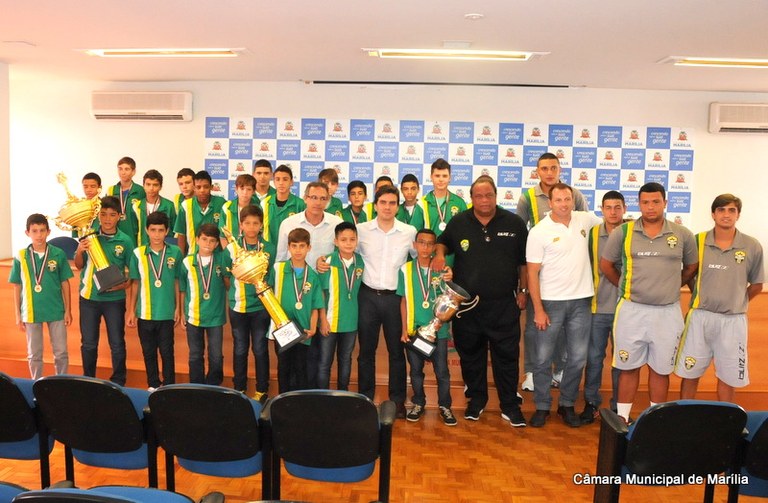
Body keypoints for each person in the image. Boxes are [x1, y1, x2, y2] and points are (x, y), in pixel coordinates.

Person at [434, 175, 528, 427]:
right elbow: (442, 242)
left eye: (489, 195)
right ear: (471, 198)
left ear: (496, 196)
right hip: (467, 307)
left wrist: (524, 290)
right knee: (471, 357)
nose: (484, 200)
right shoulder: (459, 221)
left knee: (506, 358)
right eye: (478, 196)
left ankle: (510, 405)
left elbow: (523, 263)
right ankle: (476, 401)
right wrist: (441, 255)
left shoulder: (515, 223)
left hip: (503, 305)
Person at [600, 182, 698, 423]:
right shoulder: (622, 233)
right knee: (628, 366)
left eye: (656, 202)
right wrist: (627, 288)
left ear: (665, 203)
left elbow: (692, 267)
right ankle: (621, 419)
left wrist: (672, 285)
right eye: (645, 202)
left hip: (667, 312)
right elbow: (606, 266)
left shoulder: (682, 234)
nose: (650, 207)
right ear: (639, 204)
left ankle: (657, 421)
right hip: (631, 311)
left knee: (661, 369)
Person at [328, 185, 415, 418]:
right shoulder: (361, 230)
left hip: (395, 299)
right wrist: (320, 261)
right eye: (383, 202)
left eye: (392, 203)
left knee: (397, 352)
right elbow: (340, 253)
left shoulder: (409, 231)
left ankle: (397, 401)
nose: (387, 207)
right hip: (366, 297)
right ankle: (365, 398)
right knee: (366, 351)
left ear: (398, 206)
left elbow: (419, 261)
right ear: (375, 205)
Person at [676, 193, 764, 402]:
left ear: (738, 215)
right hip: (699, 317)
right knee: (690, 372)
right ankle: (685, 417)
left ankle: (726, 422)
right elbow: (688, 273)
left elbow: (758, 285)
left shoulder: (752, 246)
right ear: (713, 214)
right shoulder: (697, 241)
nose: (726, 215)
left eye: (731, 210)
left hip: (733, 321)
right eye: (721, 210)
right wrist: (700, 292)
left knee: (729, 375)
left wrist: (736, 301)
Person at [526, 183, 600, 428]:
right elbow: (532, 273)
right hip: (550, 304)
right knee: (542, 359)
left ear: (573, 200)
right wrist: (538, 309)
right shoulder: (538, 232)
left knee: (577, 359)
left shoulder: (585, 220)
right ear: (550, 203)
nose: (564, 204)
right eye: (558, 200)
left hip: (581, 302)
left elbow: (613, 223)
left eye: (567, 199)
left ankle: (567, 404)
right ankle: (542, 406)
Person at [517, 152, 588, 393]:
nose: (549, 172)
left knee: (563, 332)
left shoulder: (573, 194)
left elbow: (586, 226)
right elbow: (519, 231)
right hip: (538, 268)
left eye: (553, 168)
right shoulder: (527, 196)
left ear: (559, 170)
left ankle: (559, 372)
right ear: (537, 171)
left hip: (568, 277)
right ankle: (530, 373)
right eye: (544, 168)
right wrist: (523, 282)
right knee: (534, 328)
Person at [276, 182, 342, 387]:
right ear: (305, 198)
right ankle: (285, 399)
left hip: (322, 296)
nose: (318, 202)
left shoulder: (336, 223)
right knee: (287, 356)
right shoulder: (289, 223)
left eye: (323, 198)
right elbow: (280, 258)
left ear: (328, 200)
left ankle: (308, 397)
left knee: (313, 355)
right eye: (313, 197)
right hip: (290, 296)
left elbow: (342, 256)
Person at [398, 228, 457, 426]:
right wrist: (403, 329)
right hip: (414, 330)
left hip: (438, 331)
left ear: (434, 247)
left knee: (442, 371)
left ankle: (445, 406)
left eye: (430, 243)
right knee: (415, 370)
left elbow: (451, 298)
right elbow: (404, 300)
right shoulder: (405, 269)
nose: (425, 247)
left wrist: (450, 277)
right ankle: (418, 403)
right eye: (421, 242)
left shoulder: (443, 267)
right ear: (414, 245)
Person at [75, 196, 132, 385]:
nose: (107, 219)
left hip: (114, 300)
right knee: (89, 344)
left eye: (112, 215)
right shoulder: (88, 236)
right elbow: (78, 265)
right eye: (103, 214)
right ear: (98, 215)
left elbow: (131, 275)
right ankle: (88, 380)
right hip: (89, 298)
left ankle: (119, 382)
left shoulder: (125, 241)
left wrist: (123, 284)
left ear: (119, 217)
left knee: (117, 343)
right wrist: (80, 251)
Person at [10, 213, 74, 379]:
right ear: (27, 233)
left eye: (42, 230)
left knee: (61, 352)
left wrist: (68, 310)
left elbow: (65, 283)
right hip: (31, 311)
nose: (39, 235)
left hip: (56, 310)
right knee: (34, 354)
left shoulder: (58, 254)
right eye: (35, 231)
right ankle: (36, 383)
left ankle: (61, 382)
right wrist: (18, 315)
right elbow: (17, 286)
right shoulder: (21, 256)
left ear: (48, 232)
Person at [580, 191, 625, 424]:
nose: (613, 212)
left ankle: (619, 407)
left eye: (617, 207)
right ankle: (591, 404)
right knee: (594, 358)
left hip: (625, 310)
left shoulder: (632, 233)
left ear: (624, 209)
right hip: (597, 307)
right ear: (602, 209)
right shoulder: (593, 234)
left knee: (621, 360)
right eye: (608, 207)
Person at [126, 211, 183, 391]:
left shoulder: (175, 252)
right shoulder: (138, 253)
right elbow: (135, 283)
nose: (157, 235)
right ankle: (152, 384)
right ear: (146, 230)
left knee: (167, 352)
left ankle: (169, 385)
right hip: (145, 313)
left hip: (166, 312)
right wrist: (131, 310)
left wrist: (178, 309)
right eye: (153, 230)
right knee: (148, 351)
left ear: (167, 231)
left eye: (160, 230)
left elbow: (177, 282)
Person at [226, 205, 276, 401]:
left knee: (260, 348)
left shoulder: (269, 249)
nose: (251, 227)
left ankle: (262, 390)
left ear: (261, 225)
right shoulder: (231, 249)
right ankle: (239, 388)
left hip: (261, 308)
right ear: (241, 225)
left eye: (255, 223)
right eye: (247, 223)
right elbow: (226, 274)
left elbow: (271, 277)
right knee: (239, 348)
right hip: (238, 307)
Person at [270, 228, 324, 392]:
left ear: (309, 248)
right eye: (294, 246)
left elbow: (316, 305)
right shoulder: (278, 269)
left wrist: (313, 327)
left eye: (302, 246)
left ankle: (298, 403)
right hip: (283, 329)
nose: (298, 250)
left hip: (304, 331)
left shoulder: (313, 276)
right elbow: (268, 295)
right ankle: (282, 401)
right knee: (284, 366)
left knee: (301, 369)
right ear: (288, 247)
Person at [179, 223, 231, 385]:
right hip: (193, 316)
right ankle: (196, 386)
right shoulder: (187, 262)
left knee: (216, 354)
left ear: (217, 244)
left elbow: (228, 285)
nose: (207, 244)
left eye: (212, 241)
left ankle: (213, 386)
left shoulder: (221, 260)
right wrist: (181, 313)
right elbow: (182, 289)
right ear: (197, 240)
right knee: (195, 354)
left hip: (215, 317)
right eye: (204, 239)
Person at [317, 221, 364, 390]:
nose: (348, 243)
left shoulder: (361, 262)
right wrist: (322, 320)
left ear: (357, 240)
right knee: (324, 362)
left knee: (346, 360)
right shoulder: (327, 262)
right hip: (329, 322)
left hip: (351, 322)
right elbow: (321, 294)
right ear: (335, 242)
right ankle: (322, 397)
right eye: (343, 240)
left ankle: (343, 396)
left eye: (352, 239)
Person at [173, 170, 226, 256]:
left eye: (206, 187)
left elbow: (226, 234)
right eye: (198, 187)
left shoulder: (221, 203)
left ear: (211, 187)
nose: (202, 190)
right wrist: (181, 258)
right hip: (193, 256)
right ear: (194, 188)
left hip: (217, 257)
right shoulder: (185, 206)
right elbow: (181, 235)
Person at [106, 156, 146, 248]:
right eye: (120, 169)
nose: (123, 172)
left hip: (134, 235)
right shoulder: (111, 191)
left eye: (127, 169)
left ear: (133, 172)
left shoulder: (141, 191)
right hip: (115, 234)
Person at [420, 158, 467, 237]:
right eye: (437, 176)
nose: (441, 179)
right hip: (430, 248)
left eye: (444, 176)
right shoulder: (422, 203)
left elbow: (465, 230)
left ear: (450, 178)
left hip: (452, 249)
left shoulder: (459, 202)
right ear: (431, 177)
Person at [261, 164, 306, 243]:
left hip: (292, 250)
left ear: (291, 182)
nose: (281, 183)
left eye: (285, 179)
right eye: (278, 179)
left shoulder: (300, 204)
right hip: (268, 250)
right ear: (274, 182)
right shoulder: (265, 203)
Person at [132, 169, 176, 248]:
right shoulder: (136, 206)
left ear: (160, 187)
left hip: (164, 252)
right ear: (143, 186)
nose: (151, 188)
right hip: (143, 250)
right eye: (148, 184)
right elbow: (133, 232)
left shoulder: (169, 206)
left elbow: (174, 233)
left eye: (155, 185)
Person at [220, 173, 257, 248]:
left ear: (253, 191)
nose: (245, 192)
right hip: (231, 252)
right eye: (242, 188)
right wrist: (230, 253)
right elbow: (222, 236)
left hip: (252, 252)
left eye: (249, 189)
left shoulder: (258, 208)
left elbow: (261, 234)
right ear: (236, 189)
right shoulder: (227, 207)